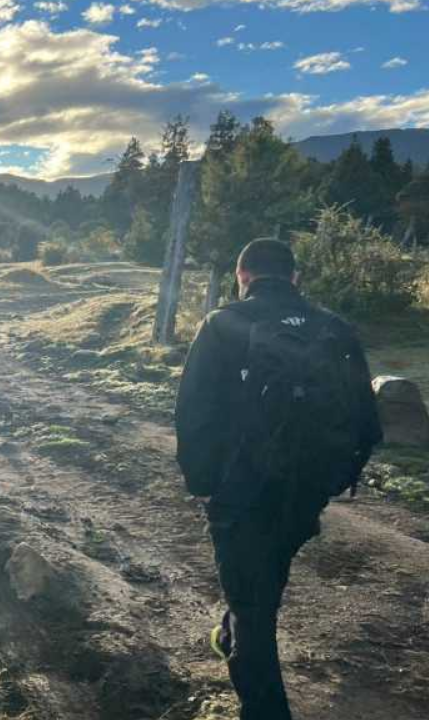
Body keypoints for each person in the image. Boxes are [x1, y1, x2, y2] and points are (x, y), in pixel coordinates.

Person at [175, 238, 382, 720]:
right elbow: (368, 421)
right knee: (261, 582)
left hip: (241, 491)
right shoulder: (335, 328)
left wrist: (203, 483)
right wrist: (334, 478)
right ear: (294, 278)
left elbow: (193, 413)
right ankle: (231, 635)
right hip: (308, 488)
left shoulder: (223, 324)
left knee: (253, 607)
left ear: (242, 277)